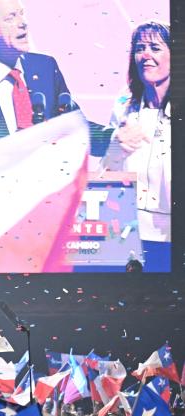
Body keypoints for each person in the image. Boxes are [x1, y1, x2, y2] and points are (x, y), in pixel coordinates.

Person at [0, 0, 112, 155]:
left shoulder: (45, 68)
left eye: (21, 14)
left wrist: (114, 139)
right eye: (10, 18)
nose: (23, 23)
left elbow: (74, 127)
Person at [102, 21, 171, 271]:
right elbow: (106, 170)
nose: (146, 55)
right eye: (140, 48)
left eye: (155, 48)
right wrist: (115, 144)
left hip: (173, 237)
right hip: (128, 234)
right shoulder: (124, 105)